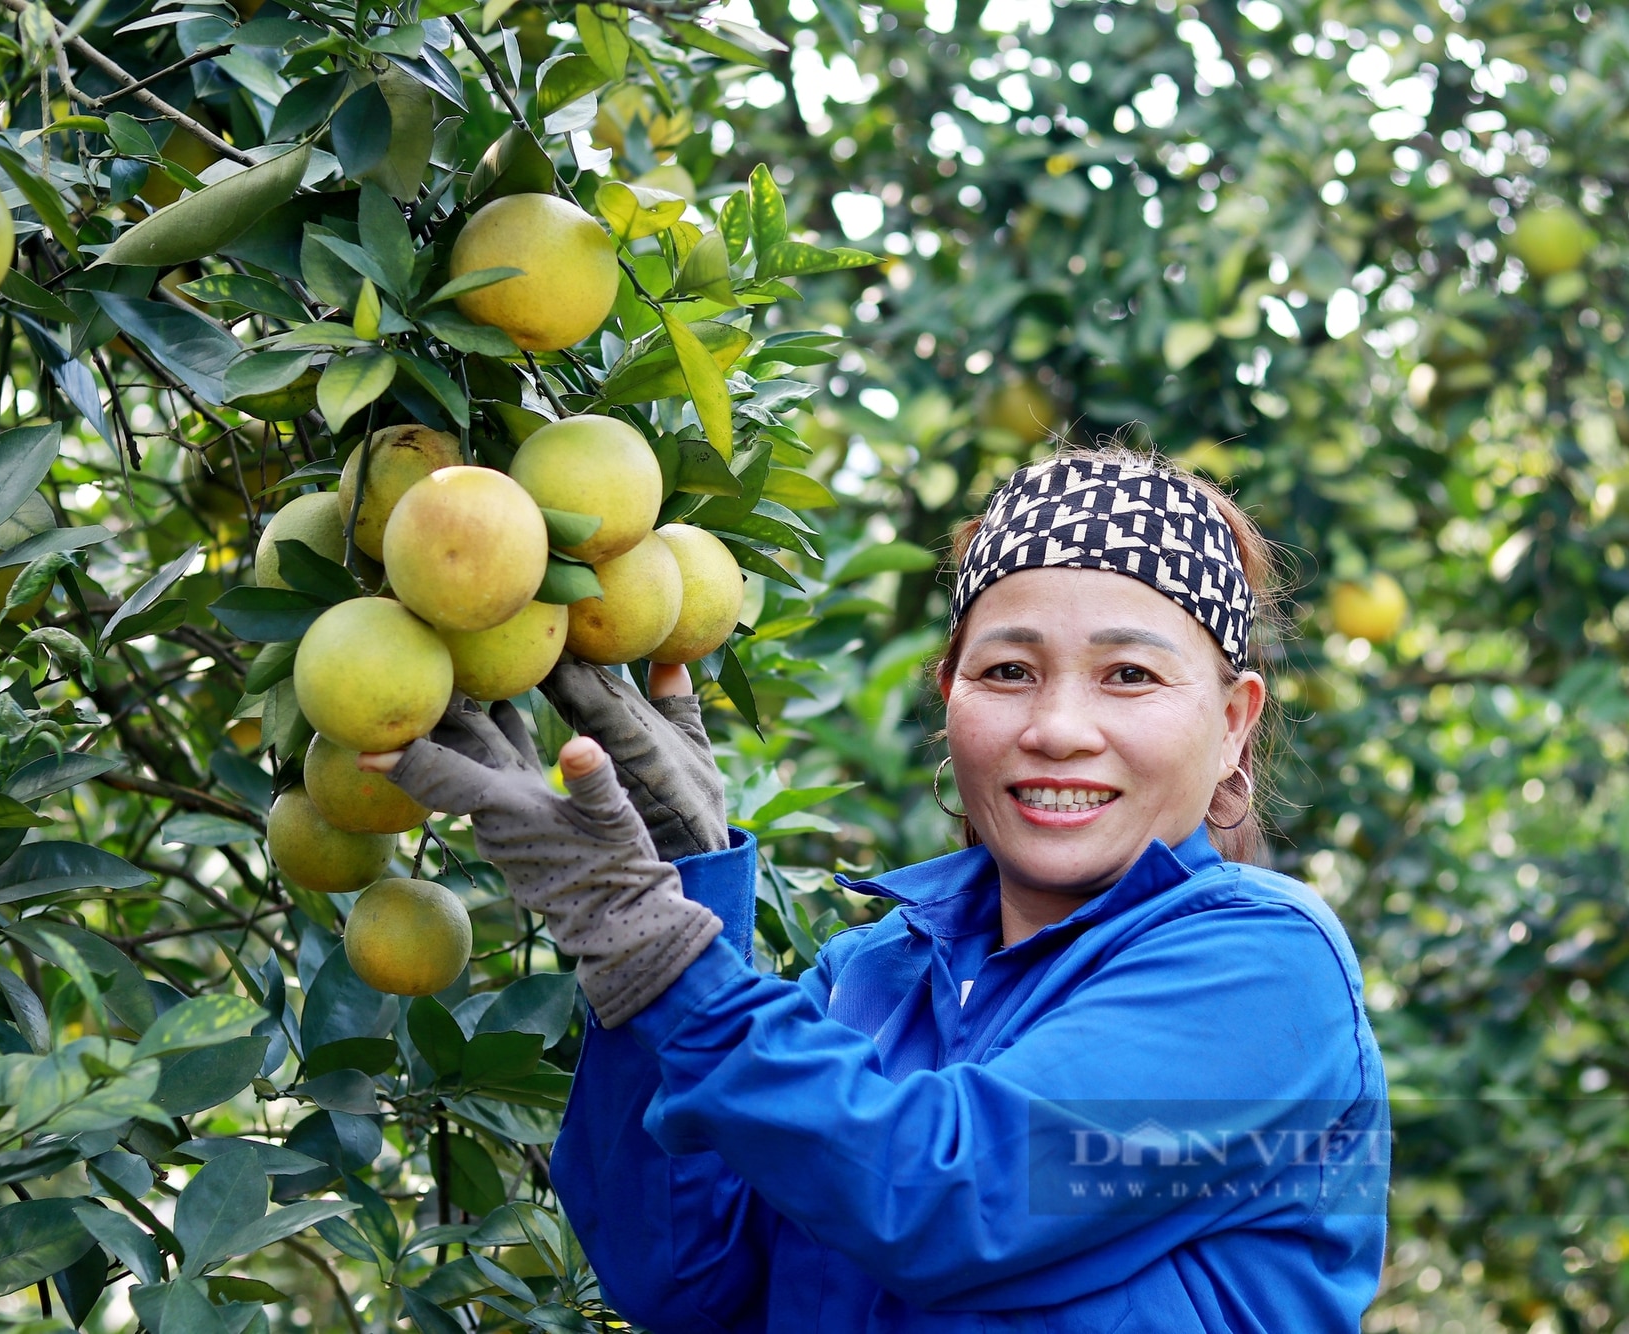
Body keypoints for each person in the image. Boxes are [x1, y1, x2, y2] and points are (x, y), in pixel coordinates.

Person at [361, 445, 1391, 1332]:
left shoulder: (1266, 968)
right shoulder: (867, 977)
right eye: (1006, 671)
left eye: (1128, 675)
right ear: (948, 702)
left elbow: (947, 1191)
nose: (1057, 726)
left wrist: (642, 932)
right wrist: (688, 878)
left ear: (1233, 723)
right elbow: (675, 1275)